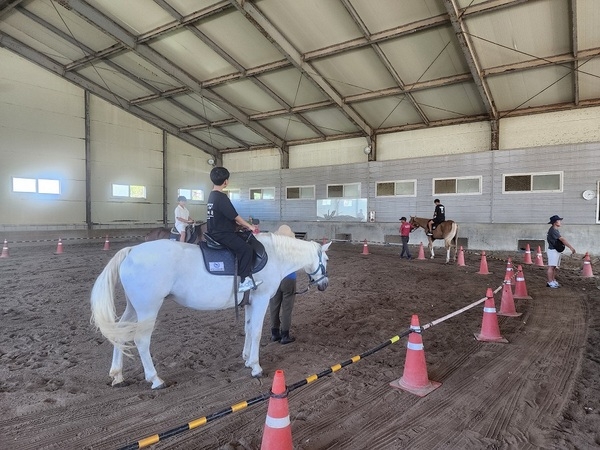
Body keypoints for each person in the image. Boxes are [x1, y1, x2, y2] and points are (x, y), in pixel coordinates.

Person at [207, 167, 261, 292]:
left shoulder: (212, 195)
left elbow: (224, 216)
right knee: (246, 249)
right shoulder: (221, 197)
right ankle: (244, 280)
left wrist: (240, 226)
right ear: (226, 181)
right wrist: (250, 226)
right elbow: (235, 216)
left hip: (214, 231)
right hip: (222, 234)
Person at [546, 215, 576, 288]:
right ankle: (550, 282)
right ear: (555, 222)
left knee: (554, 267)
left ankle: (553, 280)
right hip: (553, 250)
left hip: (555, 250)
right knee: (551, 267)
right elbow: (562, 239)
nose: (560, 222)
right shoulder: (553, 230)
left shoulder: (554, 230)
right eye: (559, 221)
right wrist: (571, 247)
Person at [269, 272, 297, 345]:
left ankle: (274, 333)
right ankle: (285, 335)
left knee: (274, 306)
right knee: (287, 308)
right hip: (289, 277)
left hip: (274, 277)